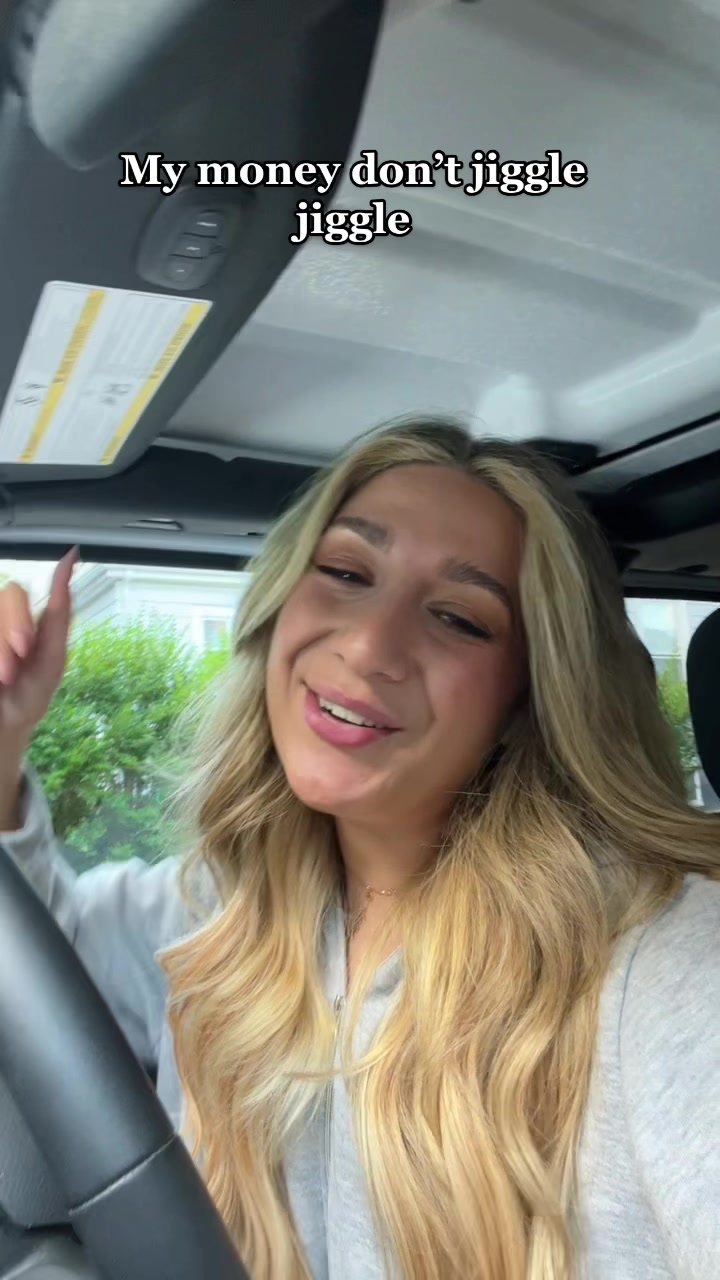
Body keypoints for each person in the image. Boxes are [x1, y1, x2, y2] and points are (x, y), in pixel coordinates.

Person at [0, 416, 718, 1280]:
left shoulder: (661, 962)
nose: (371, 645)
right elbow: (33, 1093)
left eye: (459, 618)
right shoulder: (216, 907)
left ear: (526, 698)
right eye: (345, 573)